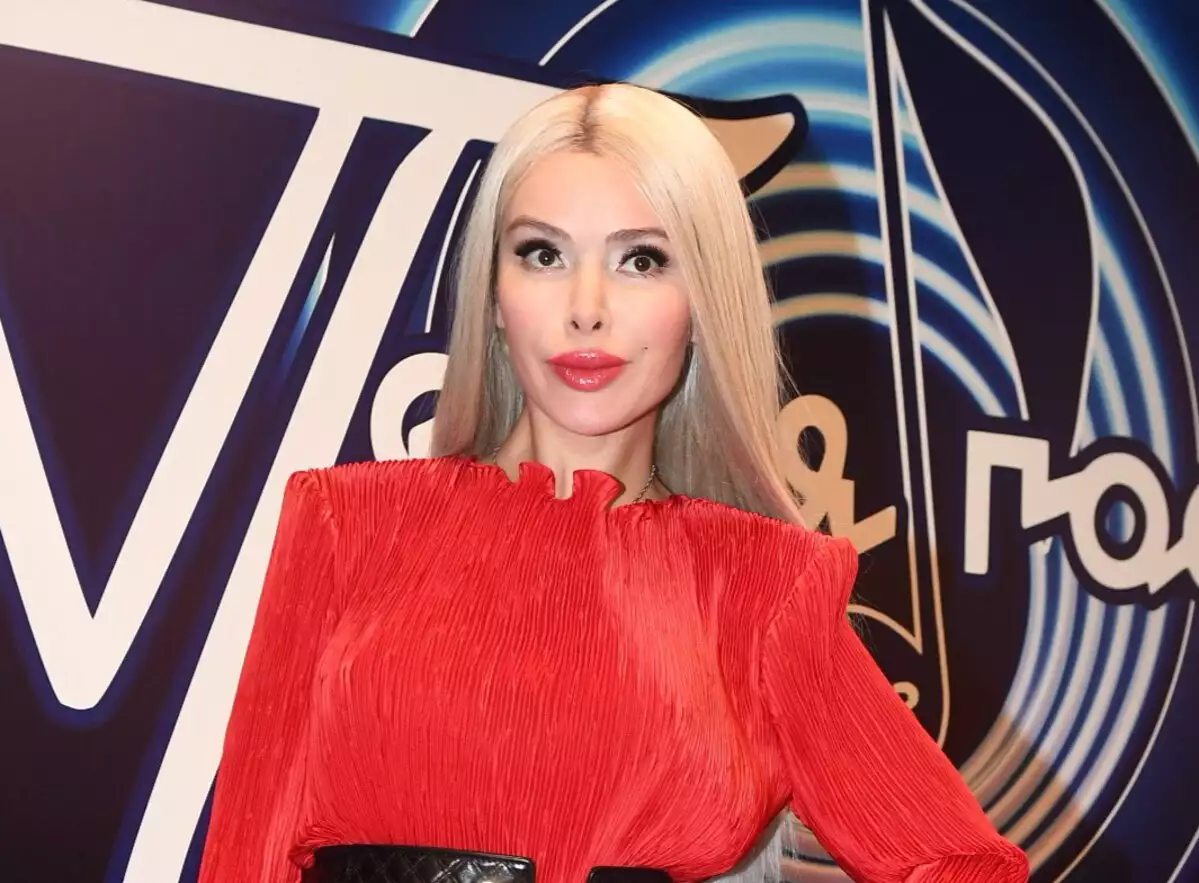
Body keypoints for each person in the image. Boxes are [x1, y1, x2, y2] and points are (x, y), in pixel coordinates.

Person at [197, 83, 1030, 883]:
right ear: (492, 295)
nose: (586, 307)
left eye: (640, 259)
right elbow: (248, 848)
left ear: (702, 301)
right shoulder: (348, 523)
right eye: (543, 254)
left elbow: (961, 862)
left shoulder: (761, 586)